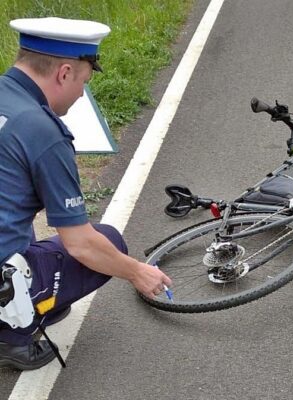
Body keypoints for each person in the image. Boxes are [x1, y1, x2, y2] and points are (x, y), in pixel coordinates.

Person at [0, 17, 172, 370]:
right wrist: (137, 272)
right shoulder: (43, 132)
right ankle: (13, 335)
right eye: (84, 82)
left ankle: (34, 298)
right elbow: (81, 244)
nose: (82, 94)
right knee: (107, 240)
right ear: (64, 73)